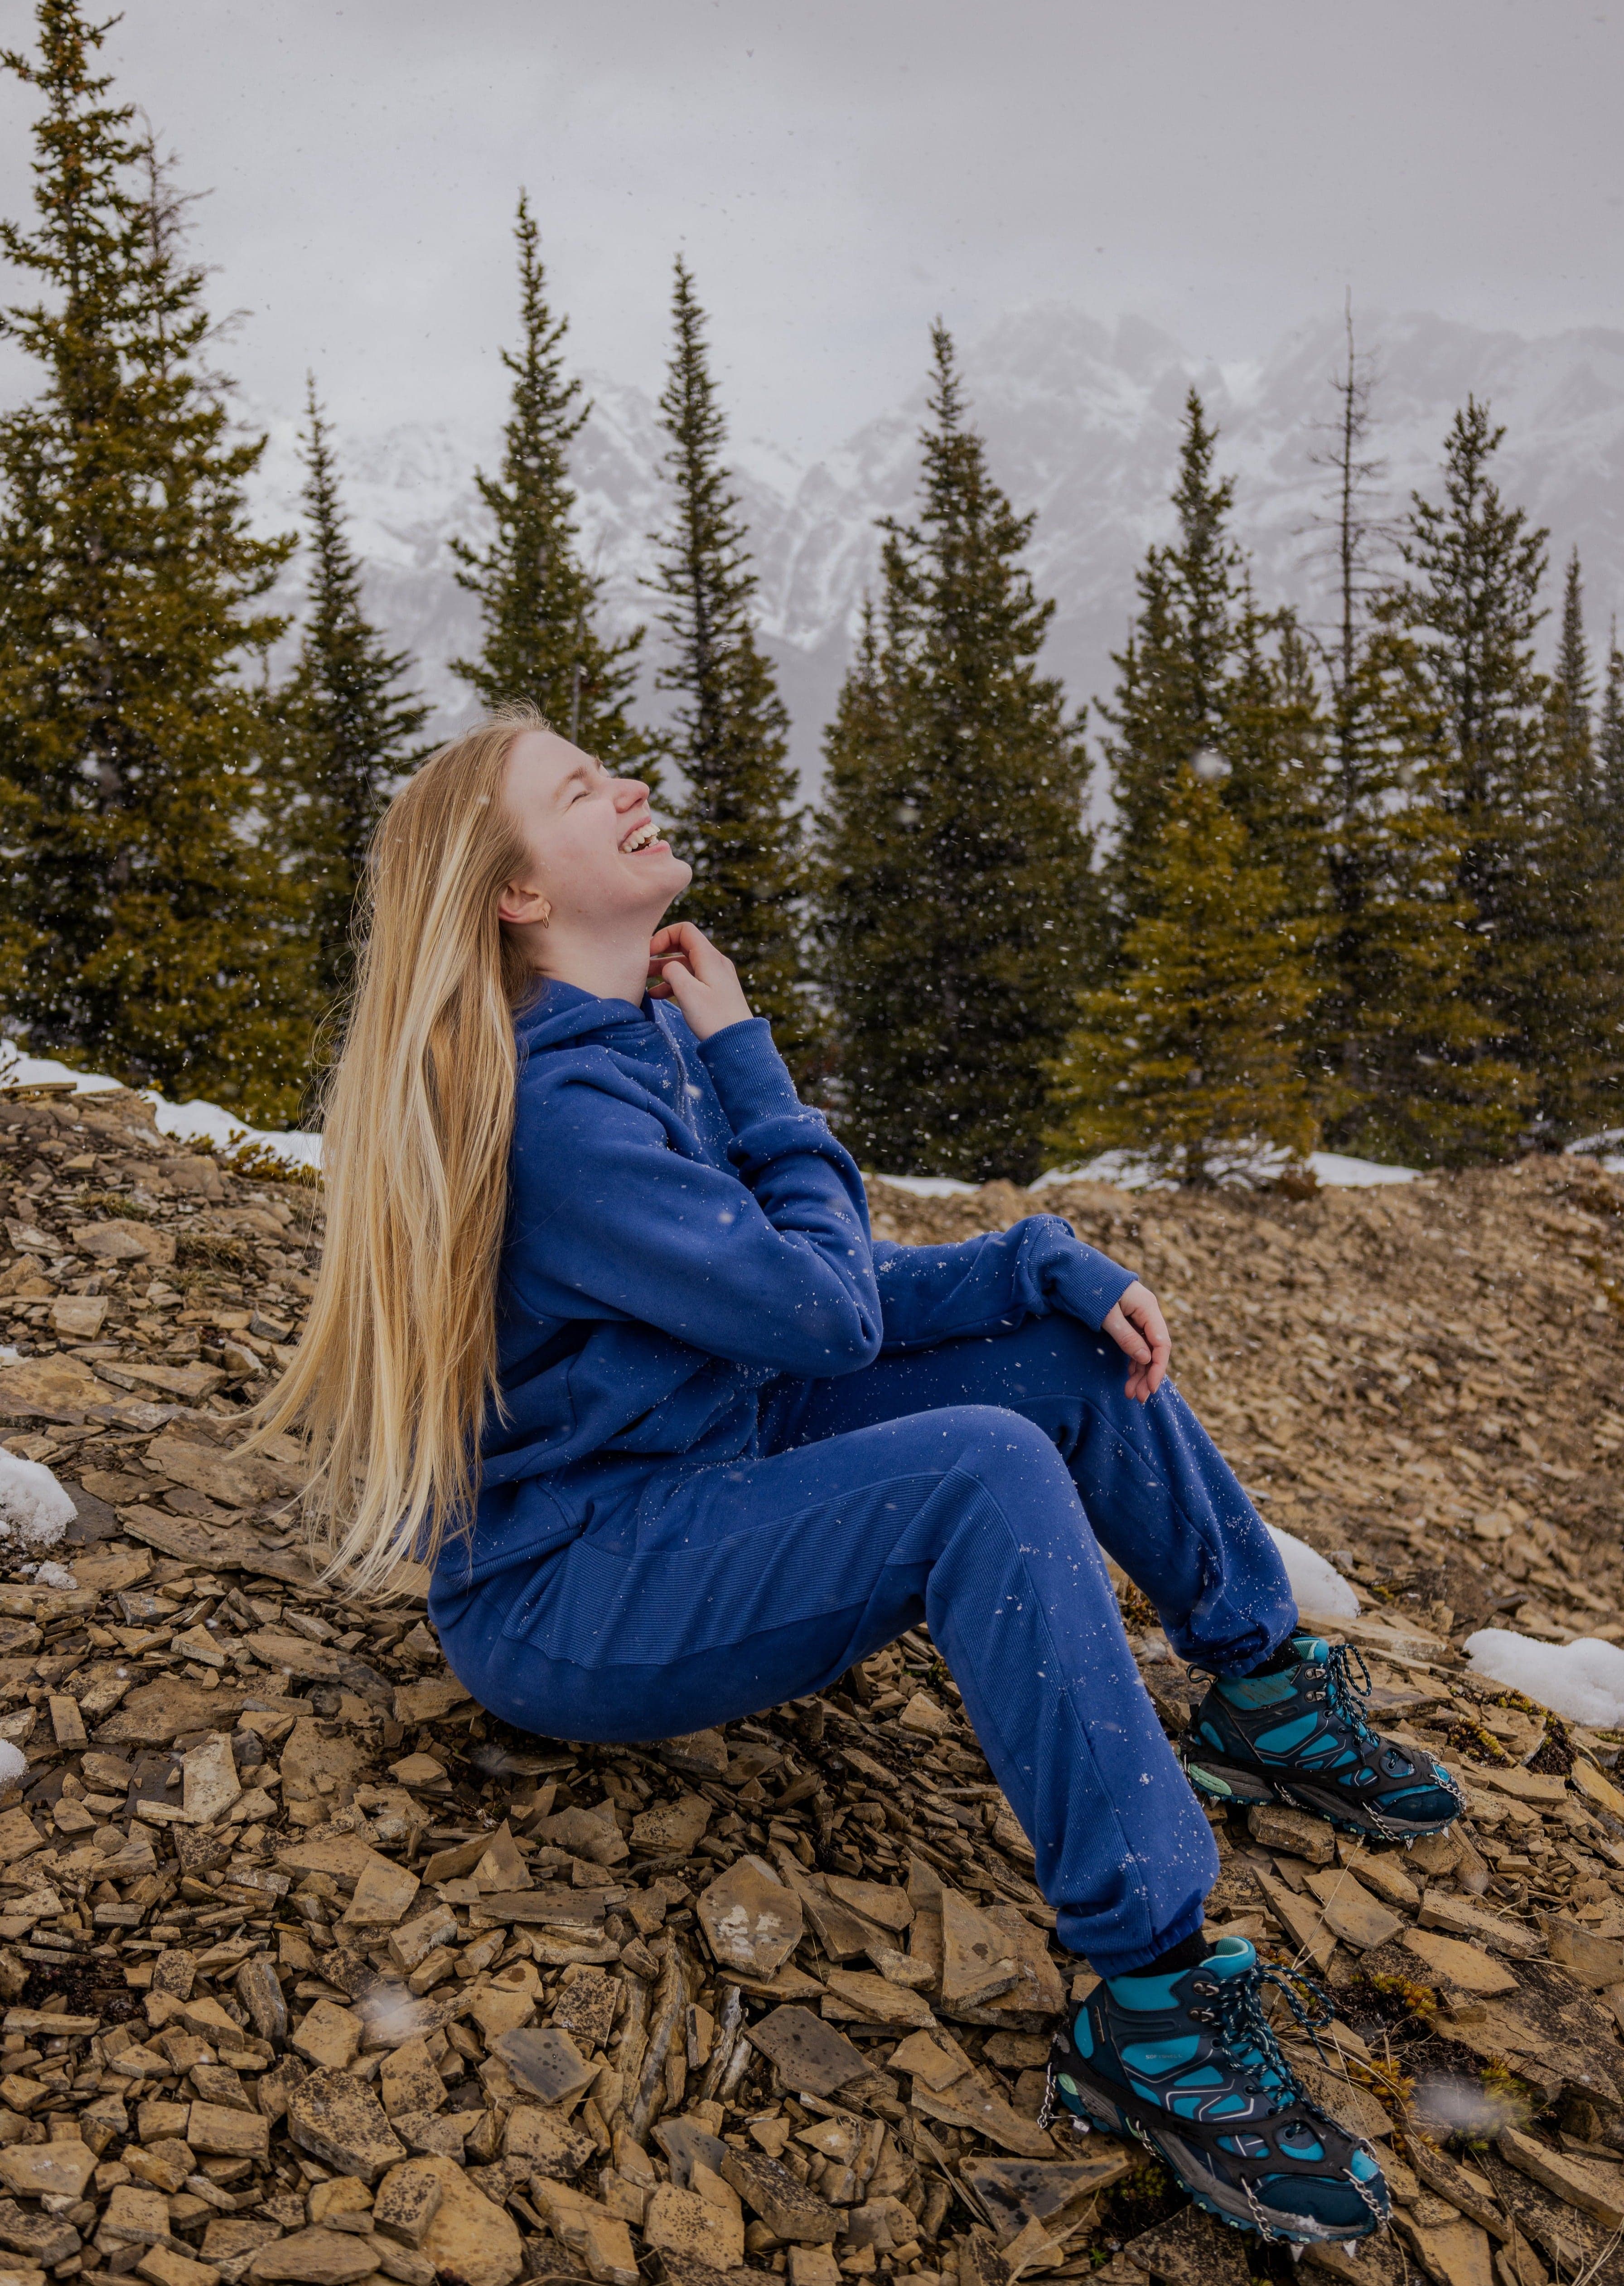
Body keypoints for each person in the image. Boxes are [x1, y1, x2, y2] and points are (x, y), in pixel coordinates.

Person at [262, 705, 1461, 2248]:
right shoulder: (567, 1112)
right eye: (580, 788)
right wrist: (751, 1054)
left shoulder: (629, 1044)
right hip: (573, 1589)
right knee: (982, 1470)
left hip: (710, 1460)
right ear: (516, 894)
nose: (627, 784)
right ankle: (1152, 2011)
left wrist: (1038, 1258)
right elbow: (820, 1309)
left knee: (1063, 1355)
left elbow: (794, 1295)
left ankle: (1260, 1685)